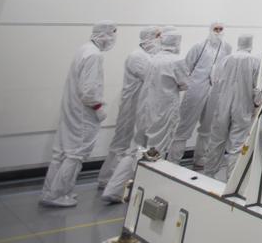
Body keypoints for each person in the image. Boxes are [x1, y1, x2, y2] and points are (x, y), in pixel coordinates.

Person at [101, 30, 189, 203]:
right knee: (154, 153)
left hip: (144, 110)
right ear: (176, 43)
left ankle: (114, 189)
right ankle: (147, 194)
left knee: (134, 150)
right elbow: (184, 83)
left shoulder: (151, 58)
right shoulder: (176, 61)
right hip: (162, 112)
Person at [40, 22, 117, 207]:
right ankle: (57, 194)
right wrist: (99, 109)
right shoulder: (94, 55)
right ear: (105, 34)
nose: (114, 39)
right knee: (76, 154)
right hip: (83, 113)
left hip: (72, 109)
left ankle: (50, 191)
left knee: (61, 152)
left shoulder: (84, 49)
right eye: (113, 34)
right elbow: (89, 90)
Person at [96, 26, 160, 190]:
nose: (160, 39)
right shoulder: (137, 56)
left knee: (128, 143)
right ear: (148, 37)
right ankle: (108, 179)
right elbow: (153, 77)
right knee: (122, 143)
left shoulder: (147, 55)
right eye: (157, 36)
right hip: (131, 105)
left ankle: (112, 179)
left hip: (140, 105)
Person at [169, 22, 230, 167]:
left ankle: (200, 158)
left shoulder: (226, 48)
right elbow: (186, 66)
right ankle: (173, 160)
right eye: (215, 29)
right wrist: (187, 84)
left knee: (207, 127)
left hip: (214, 90)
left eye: (221, 29)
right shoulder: (199, 46)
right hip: (196, 89)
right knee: (185, 126)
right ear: (210, 30)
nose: (218, 32)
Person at [202, 36, 262, 180]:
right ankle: (231, 180)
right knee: (237, 145)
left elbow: (214, 79)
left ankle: (208, 175)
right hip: (243, 106)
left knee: (216, 141)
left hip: (222, 104)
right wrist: (257, 103)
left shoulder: (225, 59)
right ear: (250, 44)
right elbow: (257, 88)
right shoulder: (254, 61)